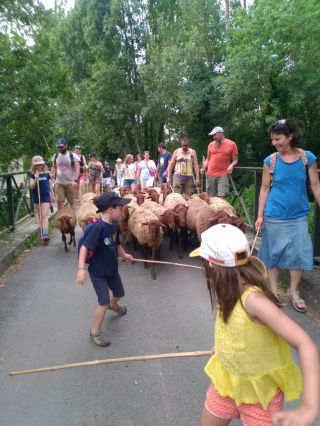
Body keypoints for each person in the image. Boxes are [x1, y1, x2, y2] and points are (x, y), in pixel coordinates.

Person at [189, 223, 319, 426]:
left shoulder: (254, 301)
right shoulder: (227, 288)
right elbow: (234, 328)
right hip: (226, 382)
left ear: (212, 265)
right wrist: (224, 349)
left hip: (261, 396)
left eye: (203, 261)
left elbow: (305, 344)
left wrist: (310, 406)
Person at [255, 119, 320, 313]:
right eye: (273, 139)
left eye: (278, 138)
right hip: (274, 214)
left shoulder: (307, 158)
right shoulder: (270, 161)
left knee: (299, 254)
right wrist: (259, 215)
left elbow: (315, 186)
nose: (275, 143)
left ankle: (293, 291)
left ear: (290, 136)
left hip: (299, 214)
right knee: (273, 254)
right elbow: (264, 189)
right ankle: (274, 291)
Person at [77, 192, 133, 347]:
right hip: (98, 272)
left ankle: (113, 305)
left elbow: (117, 243)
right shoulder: (98, 228)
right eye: (120, 207)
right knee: (103, 301)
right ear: (110, 209)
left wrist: (124, 254)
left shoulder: (114, 225)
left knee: (120, 293)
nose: (123, 209)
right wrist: (81, 269)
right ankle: (94, 331)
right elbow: (84, 248)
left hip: (112, 269)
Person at [201, 126, 238, 198]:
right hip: (210, 174)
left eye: (215, 135)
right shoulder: (210, 145)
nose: (213, 137)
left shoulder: (232, 144)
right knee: (211, 198)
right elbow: (208, 159)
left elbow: (235, 160)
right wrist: (203, 168)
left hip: (223, 174)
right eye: (213, 135)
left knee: (222, 197)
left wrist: (231, 165)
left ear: (221, 134)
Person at [29, 156, 54, 242]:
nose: (39, 166)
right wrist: (36, 178)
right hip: (37, 197)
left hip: (46, 196)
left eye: (40, 164)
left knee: (44, 215)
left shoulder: (46, 173)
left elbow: (49, 185)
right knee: (40, 216)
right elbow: (31, 187)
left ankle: (45, 234)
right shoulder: (32, 174)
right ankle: (42, 233)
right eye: (37, 165)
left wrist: (52, 194)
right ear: (34, 165)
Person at [51, 138, 80, 210]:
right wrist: (52, 177)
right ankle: (61, 219)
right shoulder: (55, 156)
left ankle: (72, 220)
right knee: (59, 203)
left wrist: (75, 180)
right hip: (59, 183)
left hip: (70, 183)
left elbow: (77, 168)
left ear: (66, 145)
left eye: (61, 146)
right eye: (58, 147)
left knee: (72, 203)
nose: (60, 148)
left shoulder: (73, 156)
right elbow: (54, 167)